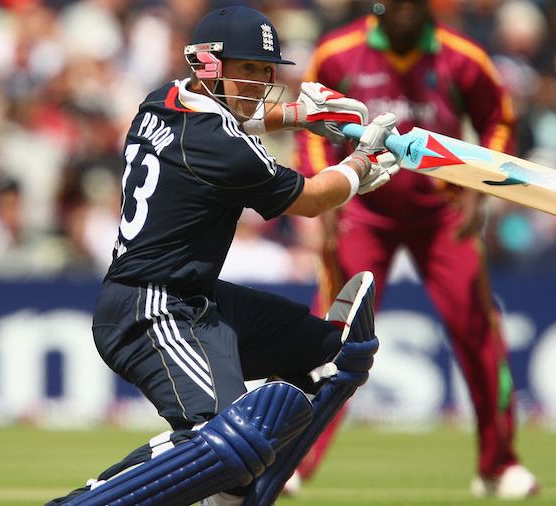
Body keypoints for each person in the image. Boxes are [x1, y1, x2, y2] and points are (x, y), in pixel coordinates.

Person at [47, 6, 398, 506]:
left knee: (329, 356)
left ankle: (237, 491)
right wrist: (361, 161)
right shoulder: (221, 146)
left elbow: (240, 112)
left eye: (264, 70)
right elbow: (314, 199)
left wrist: (303, 115)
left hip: (196, 301)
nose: (257, 81)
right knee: (226, 441)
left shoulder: (162, 100)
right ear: (211, 67)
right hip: (152, 310)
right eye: (246, 69)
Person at [292, 0, 539, 499]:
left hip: (442, 213)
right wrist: (324, 193)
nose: (404, 10)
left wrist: (476, 188)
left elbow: (499, 121)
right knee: (332, 334)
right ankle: (294, 459)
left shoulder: (462, 56)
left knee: (476, 328)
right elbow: (314, 128)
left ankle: (499, 464)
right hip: (362, 208)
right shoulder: (339, 53)